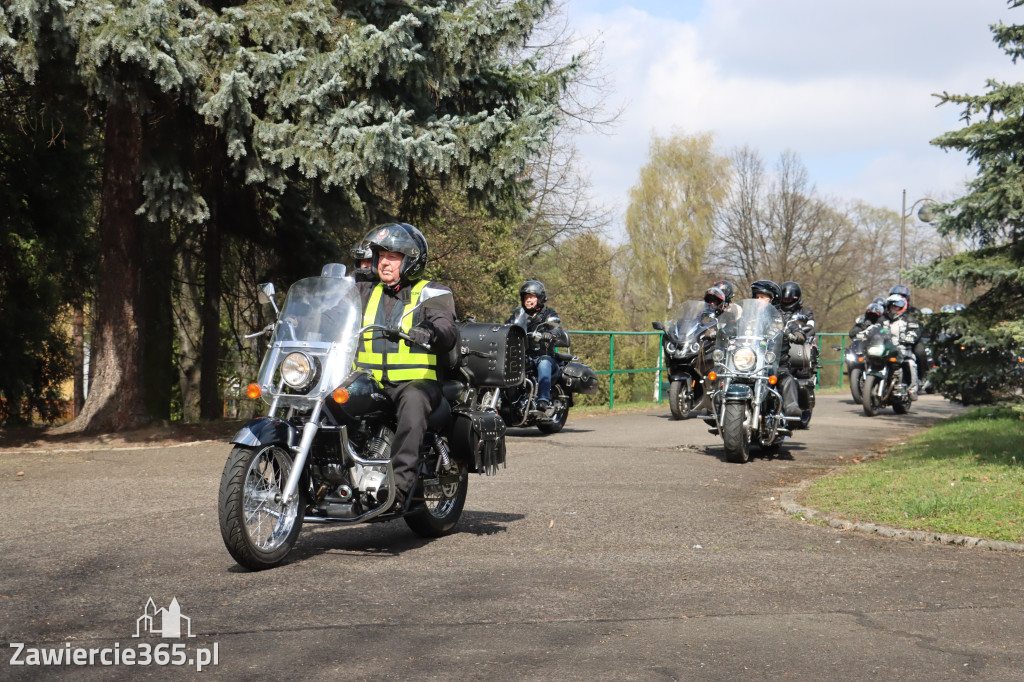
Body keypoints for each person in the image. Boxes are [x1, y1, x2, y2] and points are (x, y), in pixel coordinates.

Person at [355, 222, 458, 508]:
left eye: (393, 256)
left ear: (411, 260)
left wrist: (431, 331)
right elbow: (330, 313)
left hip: (416, 383)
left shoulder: (432, 292)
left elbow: (446, 328)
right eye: (381, 255)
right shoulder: (363, 291)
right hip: (368, 381)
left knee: (412, 402)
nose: (384, 262)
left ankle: (397, 492)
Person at [507, 280, 563, 412]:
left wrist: (549, 334)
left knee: (543, 363)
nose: (528, 300)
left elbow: (558, 329)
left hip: (543, 355)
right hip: (524, 355)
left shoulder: (549, 314)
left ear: (540, 298)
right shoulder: (519, 314)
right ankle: (511, 401)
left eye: (531, 297)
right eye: (526, 297)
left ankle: (543, 400)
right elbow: (506, 326)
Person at [750, 279, 801, 419]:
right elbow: (734, 327)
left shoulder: (782, 317)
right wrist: (719, 330)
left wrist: (796, 334)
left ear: (773, 299)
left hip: (775, 363)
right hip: (751, 362)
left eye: (763, 297)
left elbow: (794, 327)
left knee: (787, 379)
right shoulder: (748, 316)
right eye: (757, 297)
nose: (759, 300)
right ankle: (717, 407)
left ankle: (791, 407)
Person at [883, 293, 921, 400]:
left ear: (902, 307)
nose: (894, 308)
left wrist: (911, 337)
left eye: (896, 306)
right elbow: (874, 328)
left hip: (903, 350)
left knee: (910, 363)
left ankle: (912, 390)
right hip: (885, 349)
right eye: (892, 306)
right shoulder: (883, 319)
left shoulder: (909, 319)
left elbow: (915, 330)